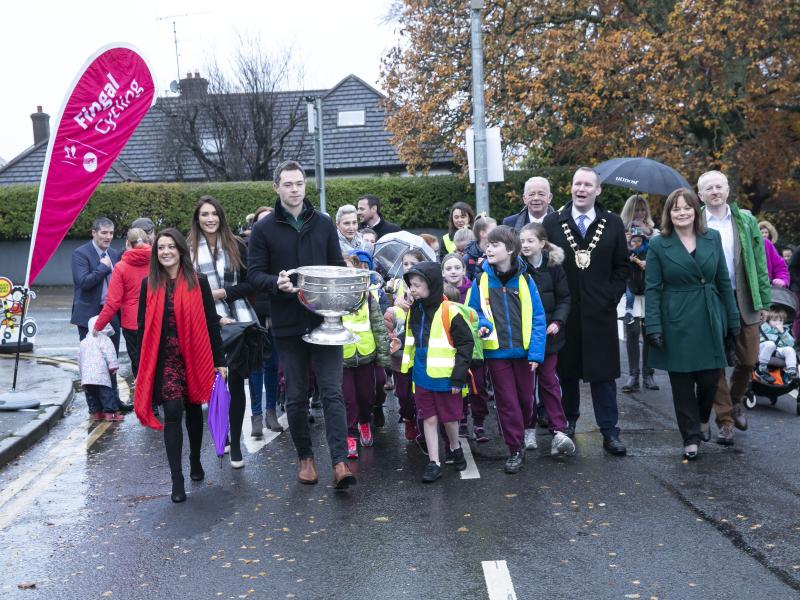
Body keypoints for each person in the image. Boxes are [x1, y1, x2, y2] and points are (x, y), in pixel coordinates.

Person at [248, 160, 356, 491]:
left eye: (299, 184)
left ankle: (340, 461)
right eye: (289, 184)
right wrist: (274, 283)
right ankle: (305, 458)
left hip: (325, 321)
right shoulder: (263, 229)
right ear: (276, 188)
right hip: (288, 323)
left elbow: (337, 268)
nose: (295, 190)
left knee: (332, 392)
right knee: (295, 396)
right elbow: (253, 274)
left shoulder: (323, 223)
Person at [645, 189, 739, 460]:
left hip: (709, 315)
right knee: (682, 383)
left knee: (710, 380)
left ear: (696, 211)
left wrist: (732, 322)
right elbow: (652, 289)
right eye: (676, 209)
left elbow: (723, 282)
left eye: (687, 207)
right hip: (675, 317)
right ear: (669, 214)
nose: (682, 212)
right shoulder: (658, 244)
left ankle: (701, 418)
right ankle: (691, 437)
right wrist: (653, 326)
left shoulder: (712, 238)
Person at [134, 229, 226, 503]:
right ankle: (177, 478)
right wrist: (143, 365)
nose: (165, 252)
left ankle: (195, 459)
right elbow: (142, 327)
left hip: (195, 355)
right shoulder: (148, 284)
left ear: (180, 250)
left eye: (170, 247)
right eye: (160, 247)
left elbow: (211, 323)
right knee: (173, 411)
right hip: (166, 361)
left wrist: (220, 361)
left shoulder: (199, 281)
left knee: (194, 408)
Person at [543, 167, 630, 455]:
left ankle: (610, 431)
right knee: (566, 373)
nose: (581, 189)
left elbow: (622, 267)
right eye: (577, 184)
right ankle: (567, 425)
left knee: (603, 376)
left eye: (588, 185)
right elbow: (545, 267)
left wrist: (610, 296)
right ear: (570, 188)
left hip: (600, 312)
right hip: (565, 313)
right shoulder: (553, 222)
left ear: (598, 190)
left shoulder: (613, 223)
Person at [699, 170, 771, 442]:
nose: (715, 191)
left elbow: (759, 261)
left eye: (719, 186)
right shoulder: (697, 222)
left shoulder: (745, 220)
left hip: (743, 296)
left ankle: (736, 399)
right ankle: (725, 420)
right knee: (715, 359)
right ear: (701, 195)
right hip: (712, 297)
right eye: (709, 188)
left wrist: (763, 299)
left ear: (728, 190)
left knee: (749, 358)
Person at [468, 225, 547, 473]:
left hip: (524, 354)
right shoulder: (480, 280)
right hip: (497, 353)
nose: (488, 248)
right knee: (507, 402)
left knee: (526, 400)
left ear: (510, 249)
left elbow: (538, 317)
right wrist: (481, 325)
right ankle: (515, 449)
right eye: (488, 245)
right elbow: (473, 312)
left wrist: (535, 352)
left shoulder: (525, 279)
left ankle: (526, 430)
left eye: (495, 245)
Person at [189, 195, 258, 466]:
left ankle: (237, 445)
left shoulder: (237, 245)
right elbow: (188, 290)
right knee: (216, 382)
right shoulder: (188, 250)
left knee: (238, 382)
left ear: (221, 217)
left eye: (214, 214)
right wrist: (214, 316)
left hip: (238, 321)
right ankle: (224, 434)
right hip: (205, 322)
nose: (209, 219)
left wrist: (222, 293)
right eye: (204, 214)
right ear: (197, 219)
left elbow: (250, 282)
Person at [401, 262, 473, 482]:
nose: (412, 289)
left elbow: (466, 344)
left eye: (417, 285)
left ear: (431, 285)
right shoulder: (415, 309)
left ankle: (455, 446)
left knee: (450, 419)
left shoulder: (450, 310)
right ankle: (434, 462)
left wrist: (458, 377)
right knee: (429, 418)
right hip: (422, 374)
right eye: (411, 285)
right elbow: (412, 340)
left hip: (446, 375)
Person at [519, 223, 576, 456]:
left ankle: (558, 430)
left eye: (530, 241)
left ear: (542, 243)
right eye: (522, 241)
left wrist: (558, 322)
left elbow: (564, 298)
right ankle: (528, 428)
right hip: (525, 337)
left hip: (550, 337)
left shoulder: (554, 268)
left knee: (550, 383)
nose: (525, 245)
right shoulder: (517, 268)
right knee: (525, 387)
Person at [341, 254, 391, 459]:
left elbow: (378, 327)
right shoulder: (330, 297)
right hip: (342, 357)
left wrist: (383, 358)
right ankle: (350, 435)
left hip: (366, 354)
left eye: (349, 270)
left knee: (366, 396)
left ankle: (364, 423)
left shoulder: (367, 296)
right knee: (348, 400)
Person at [71, 217, 123, 407]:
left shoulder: (115, 254)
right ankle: (95, 407)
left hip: (111, 312)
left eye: (111, 233)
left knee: (112, 359)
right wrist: (103, 267)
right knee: (92, 362)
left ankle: (114, 402)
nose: (108, 237)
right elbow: (83, 282)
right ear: (94, 233)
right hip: (89, 315)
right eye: (104, 233)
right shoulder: (80, 254)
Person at [442, 254, 490, 440]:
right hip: (451, 349)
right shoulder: (440, 293)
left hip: (475, 348)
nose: (453, 271)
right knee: (457, 385)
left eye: (457, 267)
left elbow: (483, 312)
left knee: (478, 386)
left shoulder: (473, 289)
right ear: (443, 273)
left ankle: (479, 422)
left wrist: (485, 327)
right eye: (448, 268)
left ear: (463, 270)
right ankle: (461, 419)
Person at [94, 227, 151, 377]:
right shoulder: (157, 263)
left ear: (127, 243)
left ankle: (143, 396)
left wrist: (98, 325)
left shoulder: (121, 267)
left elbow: (112, 302)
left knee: (138, 362)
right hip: (155, 319)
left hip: (132, 323)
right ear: (147, 241)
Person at [248, 206, 283, 435]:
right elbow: (252, 282)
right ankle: (256, 415)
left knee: (273, 366)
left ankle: (271, 412)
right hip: (253, 318)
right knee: (255, 368)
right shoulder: (249, 249)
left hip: (277, 316)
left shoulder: (280, 247)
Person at [79, 316, 121, 422]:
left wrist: (81, 374)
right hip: (101, 375)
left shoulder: (83, 342)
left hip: (87, 377)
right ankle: (110, 413)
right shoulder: (105, 339)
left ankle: (96, 413)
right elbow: (110, 353)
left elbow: (79, 359)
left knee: (92, 396)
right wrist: (113, 366)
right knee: (106, 394)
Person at [757, 308, 797, 382]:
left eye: (780, 320)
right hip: (763, 348)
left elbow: (791, 343)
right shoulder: (763, 327)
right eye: (774, 320)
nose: (778, 323)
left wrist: (782, 332)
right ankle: (762, 367)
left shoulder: (784, 330)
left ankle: (791, 371)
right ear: (768, 320)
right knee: (771, 344)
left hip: (777, 350)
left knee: (790, 349)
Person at [463, 215, 497, 281]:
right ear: (483, 233)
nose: (498, 233)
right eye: (494, 231)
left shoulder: (499, 253)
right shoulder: (468, 257)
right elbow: (465, 281)